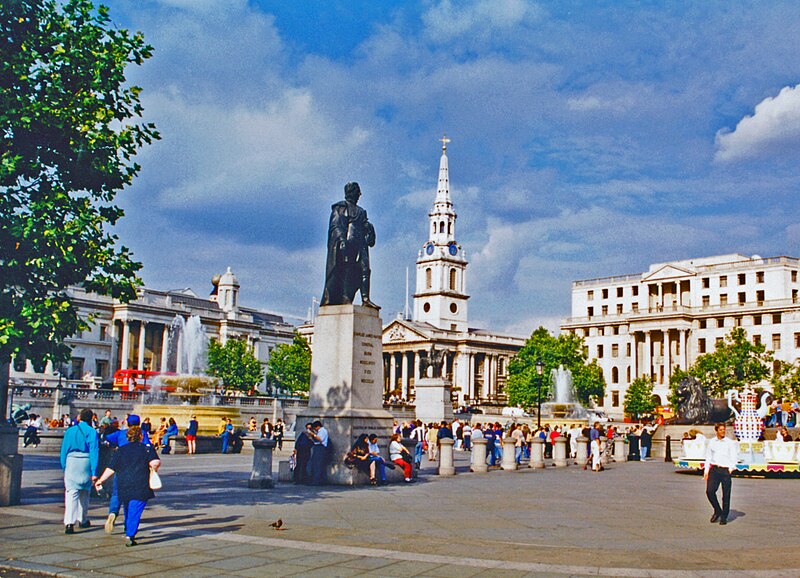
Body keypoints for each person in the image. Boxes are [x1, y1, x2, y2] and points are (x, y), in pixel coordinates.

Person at [94, 426, 161, 546]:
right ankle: (130, 534)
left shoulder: (121, 450)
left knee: (127, 506)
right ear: (141, 436)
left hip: (123, 483)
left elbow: (111, 468)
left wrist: (101, 480)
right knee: (135, 509)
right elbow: (155, 462)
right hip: (140, 483)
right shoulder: (146, 449)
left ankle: (127, 526)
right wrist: (154, 467)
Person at [320, 181, 379, 308]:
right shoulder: (340, 208)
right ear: (352, 193)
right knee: (347, 270)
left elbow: (365, 227)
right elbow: (335, 226)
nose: (360, 194)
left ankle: (365, 299)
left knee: (365, 270)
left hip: (360, 245)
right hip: (347, 243)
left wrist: (369, 228)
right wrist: (341, 240)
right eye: (358, 192)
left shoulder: (361, 211)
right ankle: (345, 297)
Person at [60, 408, 99, 534]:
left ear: (79, 417)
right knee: (85, 492)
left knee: (71, 493)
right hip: (86, 461)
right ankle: (82, 519)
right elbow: (94, 452)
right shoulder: (92, 432)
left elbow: (64, 450)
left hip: (72, 461)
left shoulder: (70, 431)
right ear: (91, 419)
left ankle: (69, 523)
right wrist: (94, 471)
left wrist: (64, 466)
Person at [704, 423, 739, 525]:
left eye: (724, 430)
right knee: (710, 491)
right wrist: (706, 471)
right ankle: (717, 510)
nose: (723, 432)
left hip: (725, 470)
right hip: (714, 469)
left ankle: (724, 516)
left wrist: (731, 468)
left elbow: (734, 456)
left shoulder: (729, 443)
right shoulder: (712, 442)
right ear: (716, 431)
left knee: (726, 494)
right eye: (721, 430)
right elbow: (708, 457)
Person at [308, 420, 330, 485]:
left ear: (317, 427)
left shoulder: (323, 431)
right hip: (317, 447)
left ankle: (317, 481)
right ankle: (317, 479)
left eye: (315, 428)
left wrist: (313, 435)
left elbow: (320, 439)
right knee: (315, 464)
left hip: (320, 447)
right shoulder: (320, 431)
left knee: (318, 464)